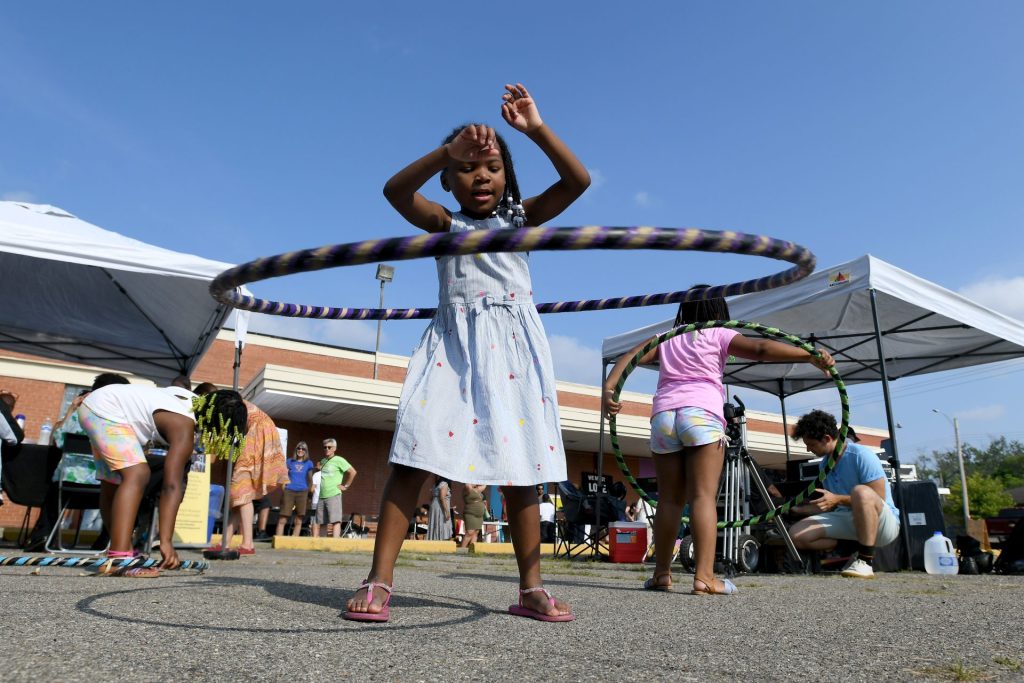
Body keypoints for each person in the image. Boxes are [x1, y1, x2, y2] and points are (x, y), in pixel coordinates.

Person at [345, 83, 589, 623]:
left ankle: (530, 588)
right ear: (448, 179)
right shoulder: (444, 225)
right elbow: (394, 191)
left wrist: (536, 129)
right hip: (452, 351)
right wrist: (445, 149)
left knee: (522, 467)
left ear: (508, 175)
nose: (482, 177)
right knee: (414, 455)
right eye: (467, 168)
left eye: (493, 166)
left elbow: (579, 180)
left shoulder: (519, 222)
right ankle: (379, 578)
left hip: (513, 352)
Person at [604, 288, 834, 595]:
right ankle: (704, 577)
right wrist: (810, 354)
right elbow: (762, 348)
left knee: (670, 499)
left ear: (684, 311)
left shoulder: (667, 337)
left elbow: (629, 358)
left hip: (664, 416)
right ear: (718, 310)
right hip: (701, 414)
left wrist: (609, 390)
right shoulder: (719, 333)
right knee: (702, 498)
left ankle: (661, 574)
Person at [77, 383, 246, 576]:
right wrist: (165, 541)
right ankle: (120, 558)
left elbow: (178, 481)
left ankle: (121, 550)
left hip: (93, 406)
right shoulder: (184, 426)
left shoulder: (186, 400)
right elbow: (171, 486)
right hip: (106, 411)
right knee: (138, 474)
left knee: (113, 481)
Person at [788, 410, 901, 579]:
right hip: (849, 520)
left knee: (861, 492)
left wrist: (837, 499)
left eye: (811, 444)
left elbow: (878, 497)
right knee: (797, 534)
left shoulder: (861, 455)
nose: (808, 448)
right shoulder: (824, 464)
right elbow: (830, 504)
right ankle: (850, 548)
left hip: (883, 524)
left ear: (827, 438)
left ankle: (865, 561)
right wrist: (797, 510)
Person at [197, 383, 289, 556]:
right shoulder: (229, 403)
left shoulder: (227, 404)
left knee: (241, 490)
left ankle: (248, 543)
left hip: (257, 434)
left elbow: (226, 434)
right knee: (238, 496)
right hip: (258, 432)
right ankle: (226, 541)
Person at [317, 438, 357, 538]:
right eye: (325, 447)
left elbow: (353, 472)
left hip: (334, 494)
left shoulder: (339, 460)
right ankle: (322, 544)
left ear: (334, 448)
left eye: (329, 447)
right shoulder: (323, 461)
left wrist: (346, 486)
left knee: (335, 521)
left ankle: (335, 542)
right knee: (322, 522)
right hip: (322, 495)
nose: (327, 449)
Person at [276, 441, 314, 537]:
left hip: (303, 492)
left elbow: (310, 479)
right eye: (299, 448)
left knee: (299, 518)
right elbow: (283, 475)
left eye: (303, 449)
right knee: (283, 517)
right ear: (296, 449)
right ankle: (278, 538)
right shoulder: (289, 461)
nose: (300, 450)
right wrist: (284, 486)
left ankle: (294, 538)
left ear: (306, 451)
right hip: (289, 491)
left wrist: (309, 492)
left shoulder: (309, 463)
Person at [459, 483, 487, 547]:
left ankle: (471, 550)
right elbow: (467, 485)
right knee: (469, 532)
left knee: (475, 533)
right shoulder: (467, 489)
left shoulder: (477, 489)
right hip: (470, 514)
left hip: (479, 515)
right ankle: (461, 550)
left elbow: (485, 484)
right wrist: (474, 482)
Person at [426, 476, 452, 541]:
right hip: (440, 507)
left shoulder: (435, 485)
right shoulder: (444, 484)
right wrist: (447, 511)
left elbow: (431, 498)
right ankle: (439, 539)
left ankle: (434, 538)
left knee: (435, 523)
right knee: (441, 522)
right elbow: (442, 498)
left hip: (434, 505)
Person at [309, 459, 323, 537]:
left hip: (315, 501)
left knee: (314, 520)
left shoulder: (316, 475)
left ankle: (314, 538)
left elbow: (312, 489)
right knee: (323, 521)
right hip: (324, 501)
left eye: (317, 465)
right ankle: (321, 538)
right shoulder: (328, 475)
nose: (316, 467)